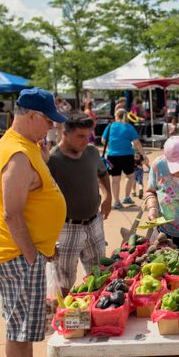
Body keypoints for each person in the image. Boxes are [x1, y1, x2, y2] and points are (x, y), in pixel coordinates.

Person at [0, 87, 67, 357]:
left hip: (27, 253)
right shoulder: (18, 155)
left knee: (26, 330)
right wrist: (33, 256)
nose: (52, 126)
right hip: (19, 255)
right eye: (48, 120)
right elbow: (12, 214)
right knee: (20, 333)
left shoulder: (26, 145)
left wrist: (43, 161)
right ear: (32, 116)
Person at [47, 111, 112, 296]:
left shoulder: (91, 151)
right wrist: (48, 239)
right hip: (66, 229)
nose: (86, 140)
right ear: (65, 133)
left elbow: (102, 173)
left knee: (99, 277)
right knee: (64, 283)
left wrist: (108, 195)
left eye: (89, 135)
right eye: (80, 136)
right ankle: (64, 321)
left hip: (94, 224)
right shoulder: (52, 160)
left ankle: (96, 318)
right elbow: (43, 204)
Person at [102, 108, 149, 210]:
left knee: (115, 180)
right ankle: (127, 197)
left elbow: (103, 140)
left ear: (116, 116)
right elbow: (137, 142)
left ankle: (117, 202)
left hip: (112, 156)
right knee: (129, 176)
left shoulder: (110, 126)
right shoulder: (129, 127)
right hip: (127, 155)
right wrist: (143, 154)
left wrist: (113, 145)